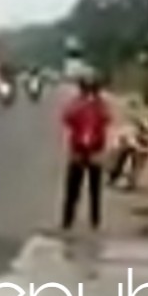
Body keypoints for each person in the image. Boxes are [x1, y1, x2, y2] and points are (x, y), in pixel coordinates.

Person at [60, 70, 111, 231]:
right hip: (81, 149)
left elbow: (106, 119)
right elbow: (67, 117)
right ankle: (69, 220)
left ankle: (91, 220)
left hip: (91, 149)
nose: (90, 91)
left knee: (91, 189)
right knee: (76, 188)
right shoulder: (84, 104)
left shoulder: (98, 105)